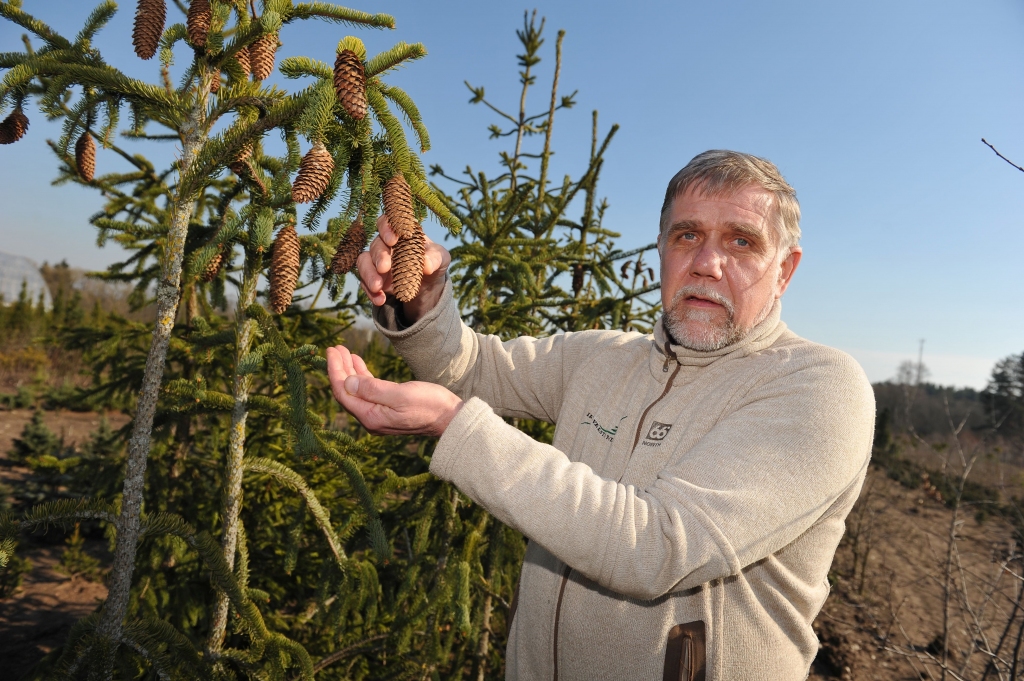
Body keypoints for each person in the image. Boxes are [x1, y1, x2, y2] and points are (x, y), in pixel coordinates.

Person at [326, 150, 875, 681]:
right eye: (687, 235)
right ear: (661, 246)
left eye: (742, 241)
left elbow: (658, 546)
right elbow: (472, 368)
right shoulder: (602, 359)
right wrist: (419, 304)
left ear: (784, 270)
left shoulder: (818, 387)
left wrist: (456, 427)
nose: (707, 263)